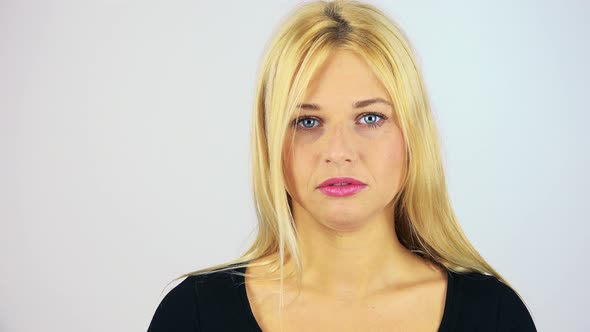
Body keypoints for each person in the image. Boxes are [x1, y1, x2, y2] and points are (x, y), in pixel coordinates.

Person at [147, 0, 537, 331]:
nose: (338, 151)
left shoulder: (495, 316)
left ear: (412, 135)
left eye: (370, 118)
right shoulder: (192, 316)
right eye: (307, 121)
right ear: (270, 143)